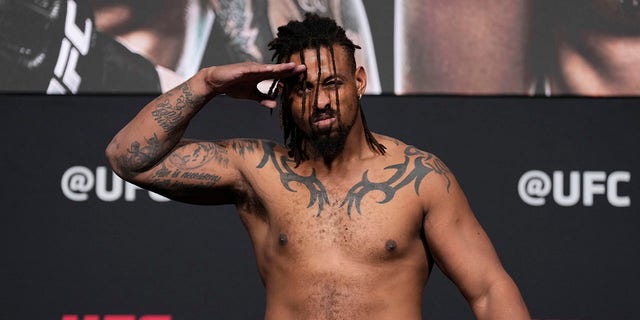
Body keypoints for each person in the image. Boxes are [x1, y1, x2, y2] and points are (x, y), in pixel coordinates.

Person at [106, 13, 530, 319]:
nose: (321, 101)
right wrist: (206, 84)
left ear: (359, 82)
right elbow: (128, 158)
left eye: (332, 83)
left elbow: (490, 292)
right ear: (285, 97)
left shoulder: (420, 178)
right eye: (303, 88)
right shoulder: (257, 171)